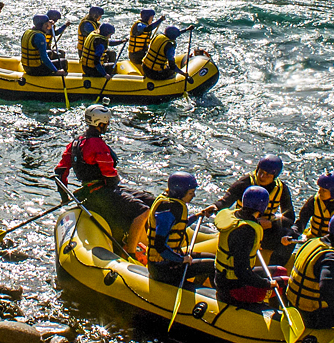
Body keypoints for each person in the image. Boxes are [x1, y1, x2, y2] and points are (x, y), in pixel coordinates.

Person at [55, 104, 153, 252]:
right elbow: (110, 175)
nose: (107, 126)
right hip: (101, 193)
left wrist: (64, 197)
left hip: (90, 191)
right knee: (143, 210)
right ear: (100, 124)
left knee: (150, 200)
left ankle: (146, 240)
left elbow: (60, 172)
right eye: (106, 123)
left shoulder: (74, 143)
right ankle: (131, 251)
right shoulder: (97, 145)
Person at [284, 212, 334, 330]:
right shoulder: (333, 257)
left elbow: (317, 267)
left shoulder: (312, 242)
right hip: (312, 315)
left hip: (293, 305)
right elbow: (325, 287)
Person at [215, 156, 294, 267]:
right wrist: (215, 207)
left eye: (267, 174)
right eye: (261, 172)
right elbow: (226, 200)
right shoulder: (246, 182)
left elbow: (289, 218)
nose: (262, 176)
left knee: (291, 235)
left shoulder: (281, 189)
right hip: (242, 226)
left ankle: (275, 267)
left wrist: (272, 224)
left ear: (274, 176)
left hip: (264, 229)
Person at [146, 172, 215, 288]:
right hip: (163, 268)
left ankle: (197, 285)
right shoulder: (168, 210)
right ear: (180, 193)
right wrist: (181, 259)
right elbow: (159, 245)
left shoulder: (172, 204)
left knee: (213, 258)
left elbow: (178, 225)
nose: (193, 196)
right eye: (190, 193)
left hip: (170, 260)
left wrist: (198, 216)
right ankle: (219, 298)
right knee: (214, 265)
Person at [214, 185, 275, 308]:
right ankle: (271, 313)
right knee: (281, 282)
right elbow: (241, 272)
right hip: (233, 289)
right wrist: (267, 284)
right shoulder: (247, 231)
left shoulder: (234, 217)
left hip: (223, 278)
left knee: (280, 270)